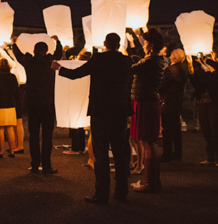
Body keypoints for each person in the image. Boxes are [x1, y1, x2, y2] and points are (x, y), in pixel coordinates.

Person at [52, 32, 133, 203]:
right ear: (119, 45)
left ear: (105, 43)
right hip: (120, 111)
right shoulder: (126, 61)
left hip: (101, 112)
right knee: (120, 153)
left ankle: (102, 194)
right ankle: (121, 192)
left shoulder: (99, 59)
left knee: (101, 153)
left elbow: (76, 74)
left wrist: (59, 68)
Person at [13, 35, 62, 174]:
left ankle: (34, 165)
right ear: (46, 51)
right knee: (47, 136)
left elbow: (18, 55)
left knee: (33, 135)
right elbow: (59, 53)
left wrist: (14, 43)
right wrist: (57, 41)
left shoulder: (29, 62)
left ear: (34, 51)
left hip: (33, 104)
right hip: (48, 104)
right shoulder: (50, 62)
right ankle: (47, 166)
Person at [130, 28, 165, 193]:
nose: (143, 45)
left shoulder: (150, 61)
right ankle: (153, 181)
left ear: (150, 45)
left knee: (147, 141)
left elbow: (131, 69)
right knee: (149, 142)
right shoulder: (156, 60)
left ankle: (149, 183)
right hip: (149, 101)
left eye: (145, 43)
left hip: (145, 102)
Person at [187, 52, 218, 168]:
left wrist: (213, 61)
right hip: (203, 104)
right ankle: (211, 157)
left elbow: (213, 79)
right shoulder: (204, 75)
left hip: (213, 105)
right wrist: (190, 65)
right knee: (206, 131)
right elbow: (195, 81)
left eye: (207, 62)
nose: (205, 64)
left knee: (215, 131)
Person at [159, 49, 188, 162]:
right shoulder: (183, 68)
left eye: (171, 55)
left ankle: (167, 154)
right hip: (177, 102)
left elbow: (162, 85)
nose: (170, 56)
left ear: (174, 58)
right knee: (176, 129)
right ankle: (177, 153)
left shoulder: (170, 70)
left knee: (167, 129)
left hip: (169, 102)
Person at [0, 57, 20, 158]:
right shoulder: (12, 77)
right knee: (10, 128)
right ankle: (12, 151)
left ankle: (0, 151)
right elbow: (16, 91)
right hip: (10, 104)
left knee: (0, 129)